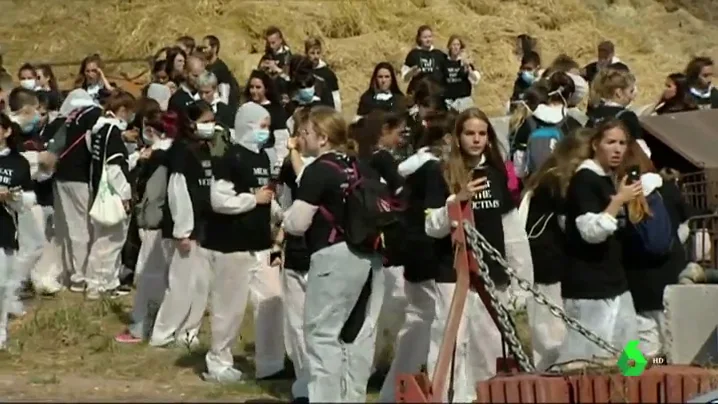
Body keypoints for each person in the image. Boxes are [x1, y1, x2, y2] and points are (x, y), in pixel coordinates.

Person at [424, 108, 532, 401]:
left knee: (489, 342)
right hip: (452, 273)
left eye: (482, 134)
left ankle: (486, 395)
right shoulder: (441, 173)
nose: (476, 139)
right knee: (452, 340)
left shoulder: (495, 174)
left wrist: (519, 277)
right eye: (470, 133)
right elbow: (430, 225)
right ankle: (449, 397)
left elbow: (512, 232)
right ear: (458, 137)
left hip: (491, 272)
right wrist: (455, 201)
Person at [282, 106, 385, 402]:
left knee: (322, 335)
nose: (302, 138)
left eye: (306, 133)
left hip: (333, 255)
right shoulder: (362, 165)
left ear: (323, 137)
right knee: (357, 335)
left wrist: (281, 219)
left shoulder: (318, 169)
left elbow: (298, 223)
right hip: (371, 254)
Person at [378, 111, 449, 402]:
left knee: (419, 325)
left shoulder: (417, 168)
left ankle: (398, 390)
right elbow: (431, 218)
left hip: (416, 253)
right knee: (427, 324)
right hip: (426, 256)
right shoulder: (432, 171)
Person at [557, 119, 641, 362]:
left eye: (622, 143)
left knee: (630, 359)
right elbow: (590, 232)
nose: (617, 149)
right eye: (610, 142)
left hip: (614, 281)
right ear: (596, 144)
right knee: (590, 361)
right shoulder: (585, 179)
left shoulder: (607, 178)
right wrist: (617, 201)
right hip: (589, 287)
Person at [520, 131, 593, 369]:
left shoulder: (543, 178)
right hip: (551, 262)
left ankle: (551, 370)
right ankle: (555, 373)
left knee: (548, 326)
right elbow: (568, 223)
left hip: (542, 261)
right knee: (553, 328)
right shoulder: (557, 182)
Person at [149, 100, 216, 348]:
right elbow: (178, 192)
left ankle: (188, 332)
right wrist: (182, 231)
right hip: (184, 229)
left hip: (204, 226)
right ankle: (163, 333)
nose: (211, 126)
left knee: (201, 285)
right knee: (181, 285)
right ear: (190, 122)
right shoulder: (180, 151)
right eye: (205, 121)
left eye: (212, 121)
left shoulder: (206, 148)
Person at [620, 143, 690, 357]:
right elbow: (683, 224)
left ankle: (634, 384)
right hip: (672, 283)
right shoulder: (668, 190)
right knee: (676, 355)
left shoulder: (620, 199)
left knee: (641, 358)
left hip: (638, 289)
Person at [115, 110, 177, 343]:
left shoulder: (159, 156)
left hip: (154, 223)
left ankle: (141, 325)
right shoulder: (174, 153)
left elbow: (153, 193)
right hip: (166, 223)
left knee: (148, 273)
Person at [84, 91, 136, 299]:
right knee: (110, 242)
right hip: (112, 194)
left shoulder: (98, 131)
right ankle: (97, 284)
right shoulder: (112, 133)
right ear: (122, 110)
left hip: (98, 190)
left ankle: (108, 281)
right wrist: (125, 195)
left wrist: (135, 157)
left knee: (103, 240)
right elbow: (114, 168)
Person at [51, 90, 101, 293]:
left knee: (70, 227)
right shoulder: (94, 116)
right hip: (81, 178)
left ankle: (72, 271)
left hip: (62, 176)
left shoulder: (68, 118)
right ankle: (81, 274)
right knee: (84, 227)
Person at [0, 112, 35, 349]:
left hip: (3, 230)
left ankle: (0, 331)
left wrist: (11, 197)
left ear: (7, 131)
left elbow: (29, 198)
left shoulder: (17, 163)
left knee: (1, 285)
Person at [587, 68, 648, 155]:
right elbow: (642, 150)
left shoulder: (594, 114)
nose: (632, 97)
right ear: (618, 93)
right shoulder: (627, 116)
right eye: (631, 91)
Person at [401, 25, 447, 95]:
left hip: (436, 94)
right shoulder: (413, 54)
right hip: (417, 93)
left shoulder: (439, 54)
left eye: (430, 37)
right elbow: (404, 78)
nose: (428, 40)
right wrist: (411, 73)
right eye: (425, 37)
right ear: (419, 38)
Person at [201, 35, 241, 110]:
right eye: (202, 48)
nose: (203, 51)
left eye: (205, 48)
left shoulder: (220, 69)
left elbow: (225, 95)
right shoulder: (208, 67)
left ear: (214, 48)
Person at [443, 35, 481, 112]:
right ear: (449, 46)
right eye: (454, 45)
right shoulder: (444, 63)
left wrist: (468, 69)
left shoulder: (465, 63)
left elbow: (475, 79)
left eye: (458, 45)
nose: (456, 47)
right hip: (449, 102)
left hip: (464, 101)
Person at [304, 37, 341, 111]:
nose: (316, 56)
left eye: (318, 53)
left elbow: (335, 96)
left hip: (325, 112)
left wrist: (337, 114)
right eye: (312, 53)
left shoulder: (327, 73)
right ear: (306, 53)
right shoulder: (303, 71)